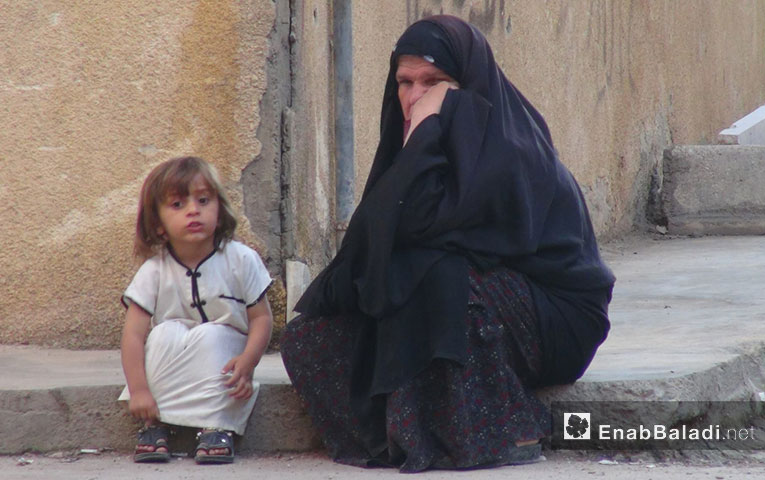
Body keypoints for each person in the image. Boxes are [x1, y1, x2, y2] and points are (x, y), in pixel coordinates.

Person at [281, 15, 615, 472]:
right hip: (466, 297)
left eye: (434, 82)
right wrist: (423, 142)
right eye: (405, 82)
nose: (415, 97)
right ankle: (399, 433)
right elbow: (370, 245)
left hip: (554, 318)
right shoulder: (407, 151)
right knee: (312, 335)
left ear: (467, 84)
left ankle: (508, 425)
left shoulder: (512, 149)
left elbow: (425, 229)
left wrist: (427, 132)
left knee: (433, 274)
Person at [119, 156, 273, 464]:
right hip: (176, 360)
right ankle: (155, 423)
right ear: (158, 226)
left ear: (220, 208)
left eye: (203, 200)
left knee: (212, 335)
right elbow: (134, 336)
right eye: (177, 205)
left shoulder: (241, 259)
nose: (194, 210)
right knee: (163, 333)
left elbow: (262, 318)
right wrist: (138, 391)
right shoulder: (154, 270)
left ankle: (217, 426)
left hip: (224, 358)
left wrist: (249, 361)